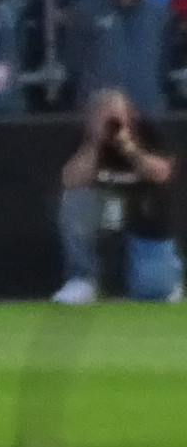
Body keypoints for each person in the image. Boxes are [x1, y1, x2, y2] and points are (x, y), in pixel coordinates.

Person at [57, 90, 180, 304]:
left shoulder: (147, 131)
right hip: (101, 211)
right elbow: (70, 180)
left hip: (144, 214)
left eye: (115, 117)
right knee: (74, 200)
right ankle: (83, 278)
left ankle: (167, 276)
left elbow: (161, 174)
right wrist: (95, 143)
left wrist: (128, 147)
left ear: (130, 114)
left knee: (155, 292)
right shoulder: (84, 138)